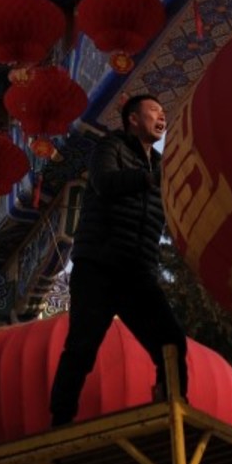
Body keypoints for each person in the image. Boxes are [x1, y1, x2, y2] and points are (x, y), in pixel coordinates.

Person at [49, 93, 188, 427]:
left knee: (171, 342)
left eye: (163, 112)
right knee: (82, 346)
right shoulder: (111, 146)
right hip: (98, 264)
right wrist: (147, 179)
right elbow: (104, 182)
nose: (162, 116)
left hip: (138, 271)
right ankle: (60, 420)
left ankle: (172, 409)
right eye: (153, 110)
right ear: (133, 119)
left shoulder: (162, 165)